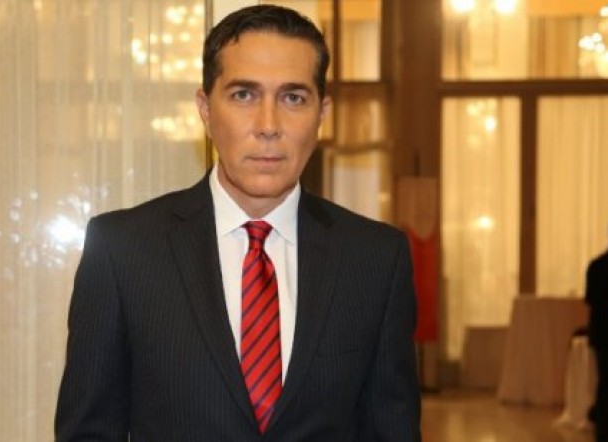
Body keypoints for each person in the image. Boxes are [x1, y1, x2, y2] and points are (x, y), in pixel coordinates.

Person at [54, 5, 421, 441]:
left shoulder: (376, 260)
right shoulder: (122, 250)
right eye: (244, 95)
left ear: (322, 114)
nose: (268, 126)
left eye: (293, 98)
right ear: (205, 109)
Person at [586, 244, 608, 442]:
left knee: (604, 382)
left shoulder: (596, 266)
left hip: (602, 333)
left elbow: (590, 300)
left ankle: (602, 429)